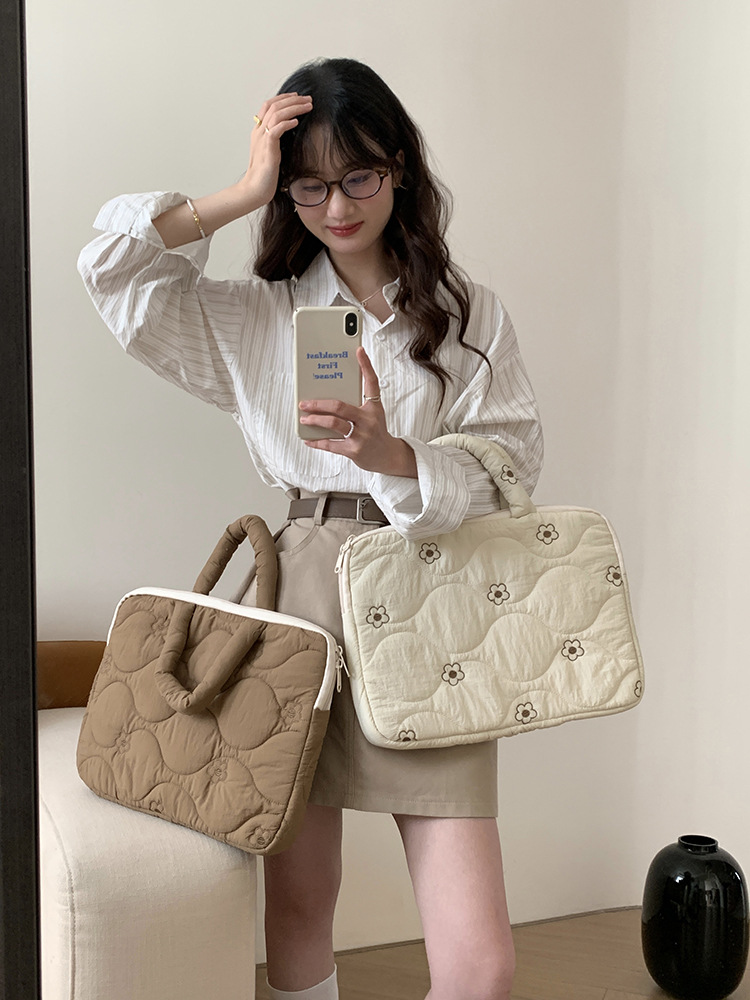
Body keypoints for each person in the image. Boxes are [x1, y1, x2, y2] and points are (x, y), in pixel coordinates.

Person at [78, 57, 543, 1000]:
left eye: (359, 176)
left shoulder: (469, 316)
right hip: (300, 606)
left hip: (432, 602)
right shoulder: (256, 316)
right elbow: (110, 270)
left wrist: (394, 455)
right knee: (297, 914)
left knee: (481, 967)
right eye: (310, 185)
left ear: (399, 166)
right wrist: (243, 191)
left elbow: (511, 469)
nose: (337, 206)